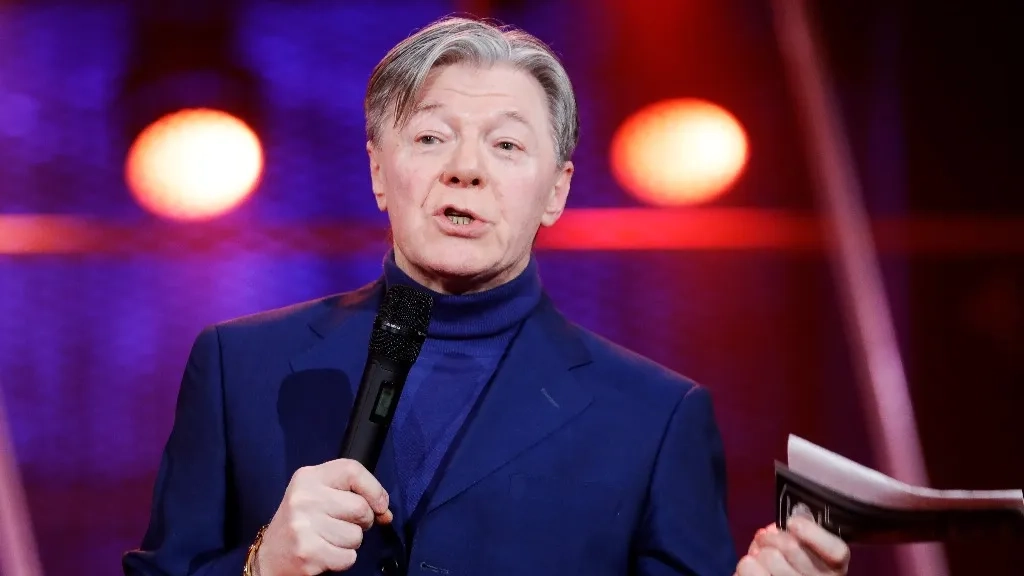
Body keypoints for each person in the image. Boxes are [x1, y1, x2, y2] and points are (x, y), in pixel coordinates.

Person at [123, 15, 851, 576]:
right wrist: (261, 566)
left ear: (556, 191)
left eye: (506, 145)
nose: (465, 169)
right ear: (378, 172)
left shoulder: (655, 417)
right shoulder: (239, 365)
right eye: (431, 138)